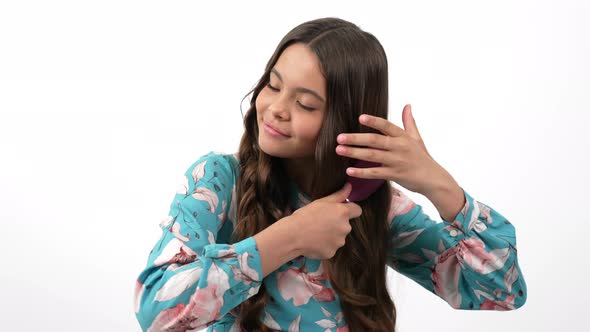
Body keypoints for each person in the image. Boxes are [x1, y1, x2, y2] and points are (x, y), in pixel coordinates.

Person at [133, 17, 527, 332]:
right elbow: (155, 310)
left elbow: (502, 292)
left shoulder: (371, 205)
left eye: (305, 104)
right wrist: (288, 238)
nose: (275, 108)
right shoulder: (219, 181)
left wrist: (438, 185)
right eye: (273, 85)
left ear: (343, 120)